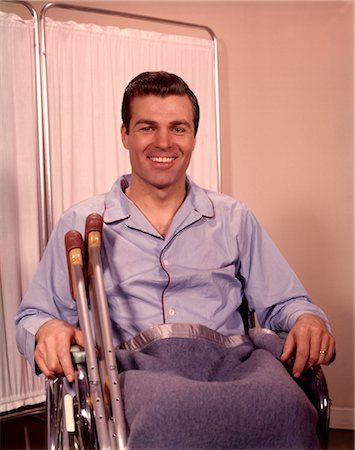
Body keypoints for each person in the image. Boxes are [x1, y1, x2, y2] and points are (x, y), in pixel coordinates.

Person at [16, 71, 335, 449]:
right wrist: (46, 330)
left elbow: (286, 300)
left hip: (232, 363)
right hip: (135, 369)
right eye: (147, 127)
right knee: (167, 414)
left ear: (194, 137)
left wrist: (308, 318)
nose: (164, 142)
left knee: (288, 406)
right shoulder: (82, 224)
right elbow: (32, 316)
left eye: (178, 128)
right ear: (125, 135)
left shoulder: (232, 218)